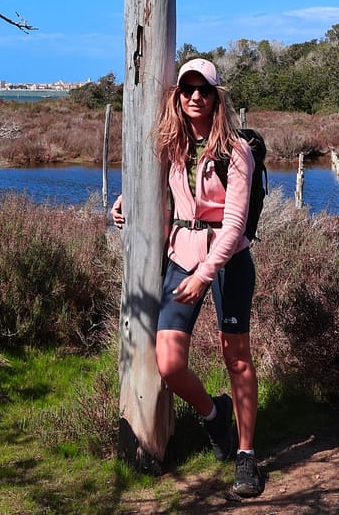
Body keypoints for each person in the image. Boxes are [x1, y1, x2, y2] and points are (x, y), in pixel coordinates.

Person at [111, 58, 265, 498]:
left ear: (217, 97)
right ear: (178, 97)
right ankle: (215, 416)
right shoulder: (171, 146)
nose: (195, 96)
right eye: (187, 90)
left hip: (227, 262)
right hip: (182, 257)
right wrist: (124, 203)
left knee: (235, 357)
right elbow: (151, 186)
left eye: (204, 90)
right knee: (170, 362)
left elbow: (234, 225)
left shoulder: (237, 152)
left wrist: (204, 275)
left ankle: (247, 455)